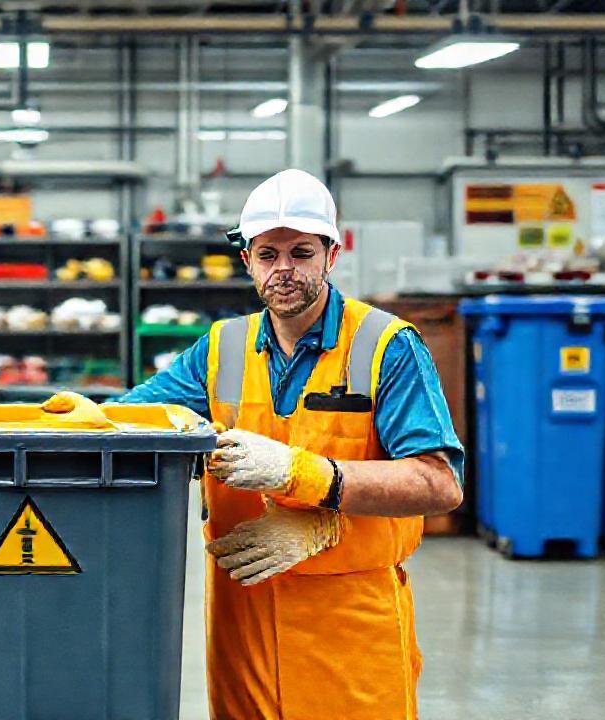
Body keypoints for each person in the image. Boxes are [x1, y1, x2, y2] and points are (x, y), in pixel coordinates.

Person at [117, 169, 464, 720]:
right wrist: (52, 417)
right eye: (268, 254)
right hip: (242, 624)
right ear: (247, 259)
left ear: (333, 252)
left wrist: (305, 479)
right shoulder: (220, 349)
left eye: (301, 253)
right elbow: (129, 422)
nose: (284, 270)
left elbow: (437, 483)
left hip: (348, 629)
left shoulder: (384, 347)